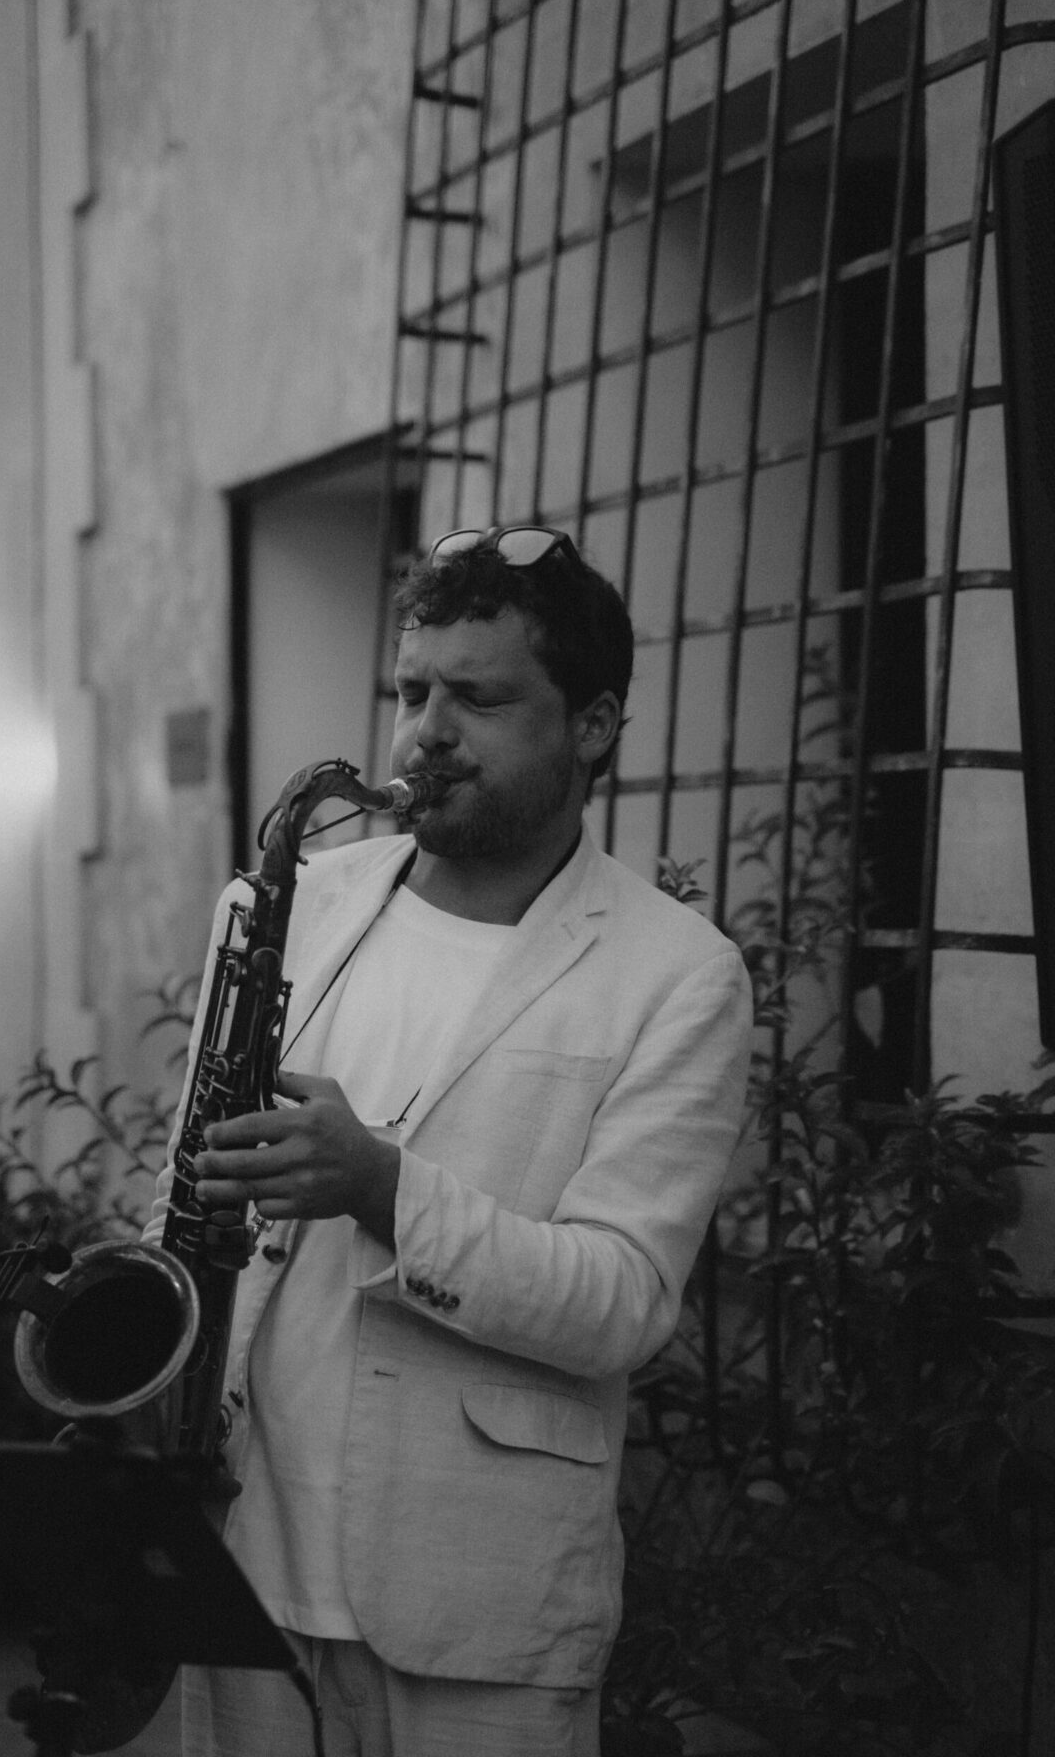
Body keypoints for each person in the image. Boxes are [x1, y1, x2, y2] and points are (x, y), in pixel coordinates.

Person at [146, 524, 753, 1757]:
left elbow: (622, 1304)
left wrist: (379, 1187)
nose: (427, 730)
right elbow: (186, 1189)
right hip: (242, 1563)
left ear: (591, 725)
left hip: (479, 1604)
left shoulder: (679, 978)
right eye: (414, 690)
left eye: (478, 697)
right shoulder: (280, 912)